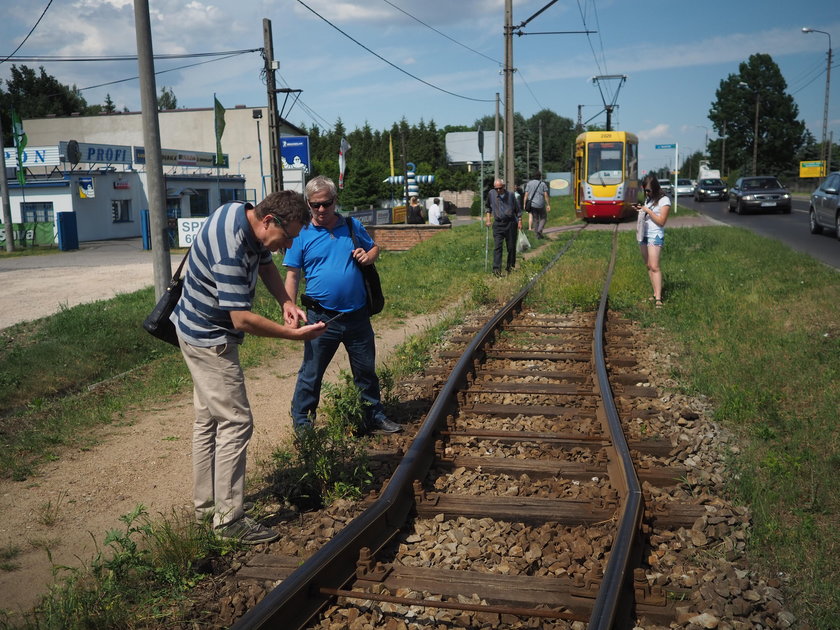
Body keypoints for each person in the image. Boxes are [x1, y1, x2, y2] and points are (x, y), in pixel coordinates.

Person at [172, 191, 327, 544]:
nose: (287, 246)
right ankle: (228, 522)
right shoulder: (231, 249)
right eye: (287, 237)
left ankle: (207, 508)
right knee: (236, 422)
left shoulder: (240, 213)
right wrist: (295, 337)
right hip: (210, 339)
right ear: (270, 221)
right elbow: (241, 319)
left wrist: (286, 301)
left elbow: (266, 263)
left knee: (208, 420)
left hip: (194, 327)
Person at [284, 175, 402, 435]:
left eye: (326, 203)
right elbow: (292, 274)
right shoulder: (301, 233)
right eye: (315, 205)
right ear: (308, 204)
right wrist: (288, 307)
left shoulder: (351, 225)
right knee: (311, 373)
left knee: (365, 371)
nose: (321, 210)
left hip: (357, 316)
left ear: (335, 201)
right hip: (320, 317)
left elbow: (374, 249)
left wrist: (368, 256)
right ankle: (303, 424)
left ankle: (373, 416)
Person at [635, 175, 672, 308]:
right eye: (645, 190)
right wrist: (641, 210)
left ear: (655, 188)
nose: (647, 193)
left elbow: (661, 221)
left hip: (655, 235)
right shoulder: (649, 199)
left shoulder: (664, 200)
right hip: (644, 234)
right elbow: (648, 215)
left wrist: (648, 211)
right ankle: (655, 293)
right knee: (649, 265)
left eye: (649, 190)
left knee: (655, 266)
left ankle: (658, 298)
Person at [484, 178, 522, 276]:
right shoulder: (491, 194)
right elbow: (487, 207)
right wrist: (488, 219)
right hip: (498, 224)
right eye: (496, 188)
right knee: (498, 247)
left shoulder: (511, 195)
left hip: (510, 223)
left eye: (500, 188)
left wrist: (520, 221)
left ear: (503, 187)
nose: (498, 190)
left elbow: (518, 210)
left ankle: (510, 267)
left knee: (511, 247)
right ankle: (496, 270)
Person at [523, 171, 550, 239]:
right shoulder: (542, 184)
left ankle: (537, 235)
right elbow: (546, 195)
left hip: (532, 205)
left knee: (535, 219)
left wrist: (524, 204)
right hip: (540, 204)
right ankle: (539, 230)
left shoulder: (529, 183)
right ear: (540, 176)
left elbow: (526, 195)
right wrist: (548, 204)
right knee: (543, 217)